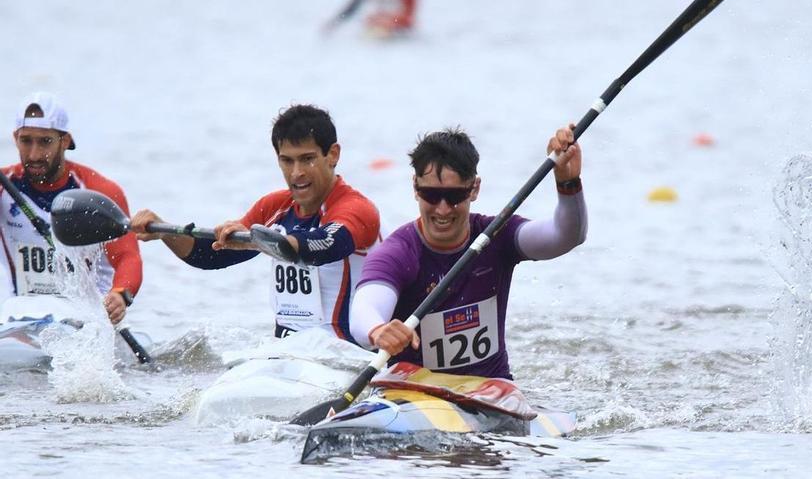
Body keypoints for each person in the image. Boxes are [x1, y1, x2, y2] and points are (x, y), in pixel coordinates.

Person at [350, 125, 587, 380]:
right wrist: (377, 330)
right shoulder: (398, 253)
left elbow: (565, 236)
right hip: (415, 393)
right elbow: (364, 309)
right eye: (430, 195)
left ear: (474, 189)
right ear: (415, 188)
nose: (442, 210)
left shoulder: (496, 236)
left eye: (454, 196)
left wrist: (567, 182)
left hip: (490, 391)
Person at [130, 105, 381, 342]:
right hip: (289, 351)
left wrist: (262, 241)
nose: (296, 173)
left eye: (307, 159)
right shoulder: (274, 207)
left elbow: (327, 245)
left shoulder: (357, 209)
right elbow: (209, 255)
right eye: (287, 160)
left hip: (347, 355)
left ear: (333, 155)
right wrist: (163, 231)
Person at [1, 92, 143, 324]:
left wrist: (120, 294)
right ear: (15, 138)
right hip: (21, 314)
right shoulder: (3, 186)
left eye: (45, 141)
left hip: (88, 317)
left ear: (64, 141)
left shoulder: (100, 190)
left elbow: (128, 256)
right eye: (26, 141)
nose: (34, 154)